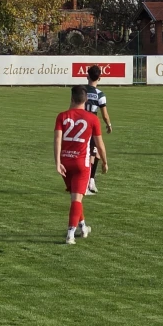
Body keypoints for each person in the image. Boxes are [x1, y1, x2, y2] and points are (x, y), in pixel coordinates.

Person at [55, 85, 108, 245]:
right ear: (85, 100)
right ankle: (70, 233)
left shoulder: (62, 116)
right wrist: (105, 162)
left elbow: (58, 139)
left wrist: (57, 162)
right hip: (81, 163)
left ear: (71, 99)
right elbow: (99, 144)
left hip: (65, 162)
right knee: (76, 199)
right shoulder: (92, 119)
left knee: (75, 197)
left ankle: (83, 227)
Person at [82, 64, 114, 194]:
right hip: (92, 125)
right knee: (94, 153)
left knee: (90, 153)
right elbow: (105, 115)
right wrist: (109, 125)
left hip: (80, 123)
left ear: (87, 76)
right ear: (99, 78)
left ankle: (89, 180)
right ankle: (89, 181)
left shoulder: (81, 90)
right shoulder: (100, 94)